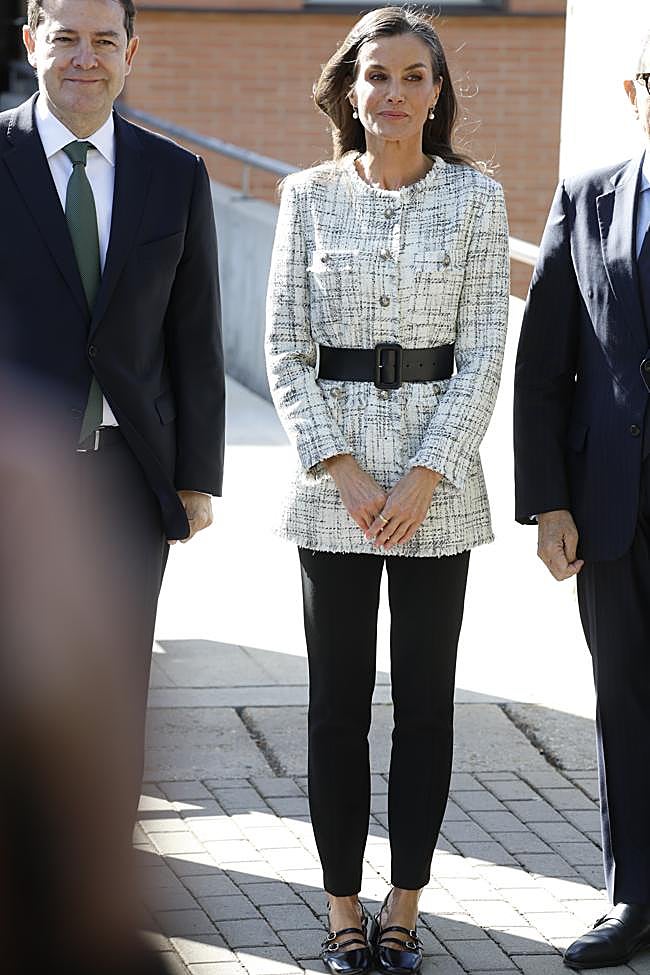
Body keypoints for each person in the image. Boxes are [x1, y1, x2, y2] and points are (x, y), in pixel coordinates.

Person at [265, 7, 509, 973]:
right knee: (335, 709)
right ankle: (340, 908)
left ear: (437, 92)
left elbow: (486, 351)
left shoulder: (477, 200)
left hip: (438, 491)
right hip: (335, 489)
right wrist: (348, 471)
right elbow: (284, 350)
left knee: (426, 705)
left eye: (415, 77)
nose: (395, 94)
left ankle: (405, 904)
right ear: (349, 88)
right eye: (378, 76)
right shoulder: (306, 197)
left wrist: (421, 474)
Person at [1, 0, 224, 834]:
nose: (83, 59)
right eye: (65, 39)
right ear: (31, 44)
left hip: (129, 476)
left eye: (103, 41)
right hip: (14, 476)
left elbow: (194, 337)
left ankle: (96, 866)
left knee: (114, 683)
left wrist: (197, 476)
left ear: (132, 52)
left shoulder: (176, 174)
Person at [514, 29, 650, 972]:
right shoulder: (588, 195)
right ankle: (634, 895)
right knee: (625, 706)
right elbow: (545, 365)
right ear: (637, 93)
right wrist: (549, 501)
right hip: (612, 508)